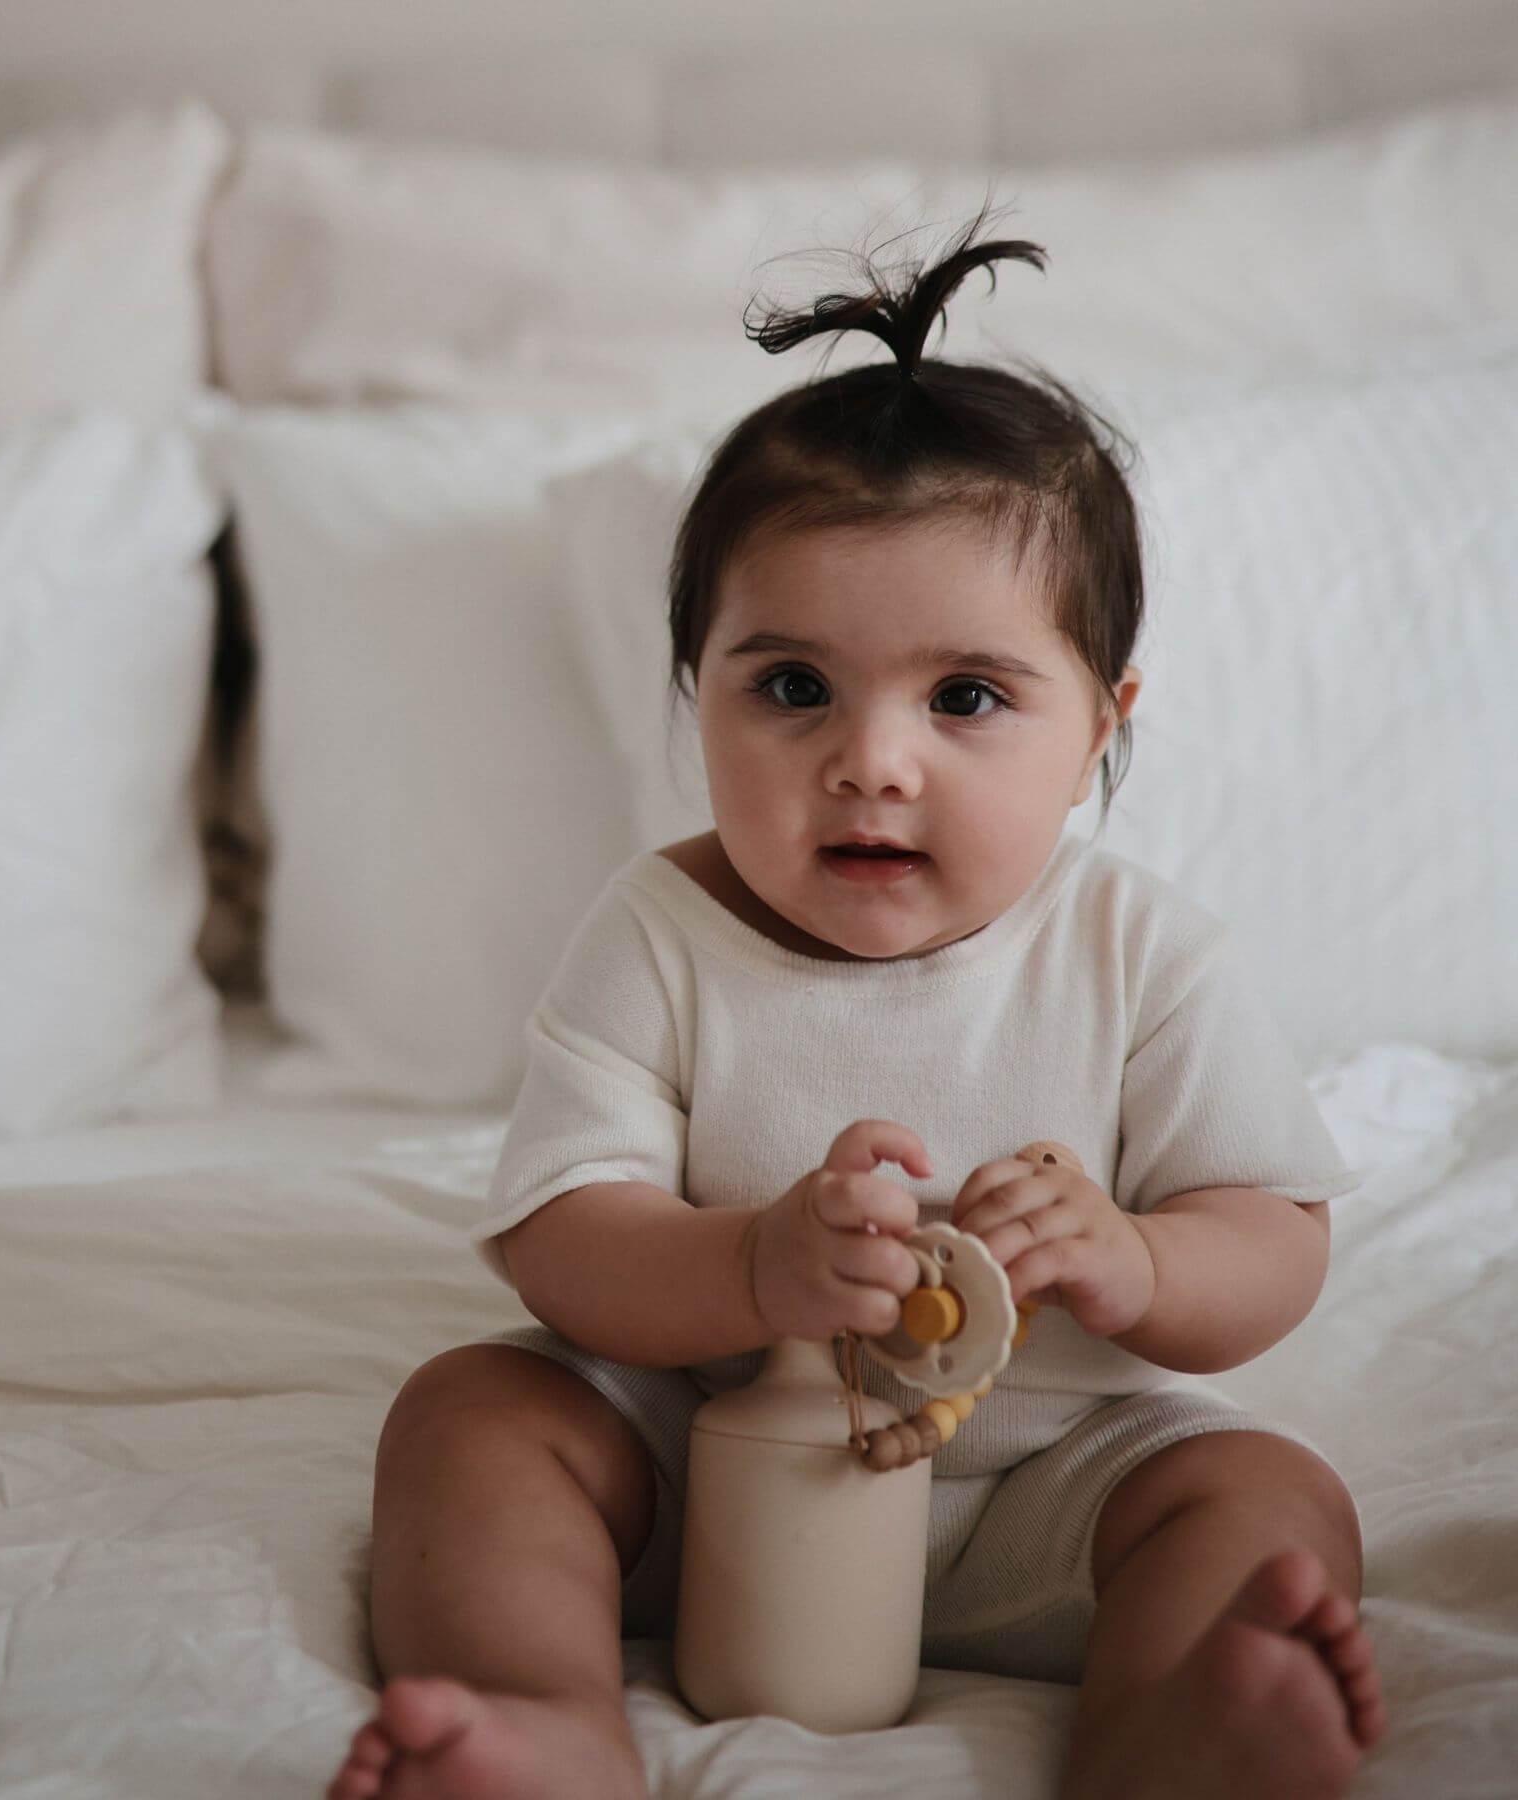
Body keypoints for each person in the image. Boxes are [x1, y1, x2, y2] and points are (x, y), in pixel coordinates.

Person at [327, 220, 1387, 1800]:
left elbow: (1277, 1242)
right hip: (709, 1467)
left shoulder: (1137, 951)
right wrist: (748, 1261)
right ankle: (537, 1712)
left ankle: (1183, 1727)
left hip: (1045, 1487)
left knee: (1259, 1487)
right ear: (697, 695)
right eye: (793, 686)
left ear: (1103, 723)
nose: (872, 760)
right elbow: (566, 1235)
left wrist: (1141, 1254)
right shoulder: (660, 934)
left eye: (966, 697)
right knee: (474, 1418)